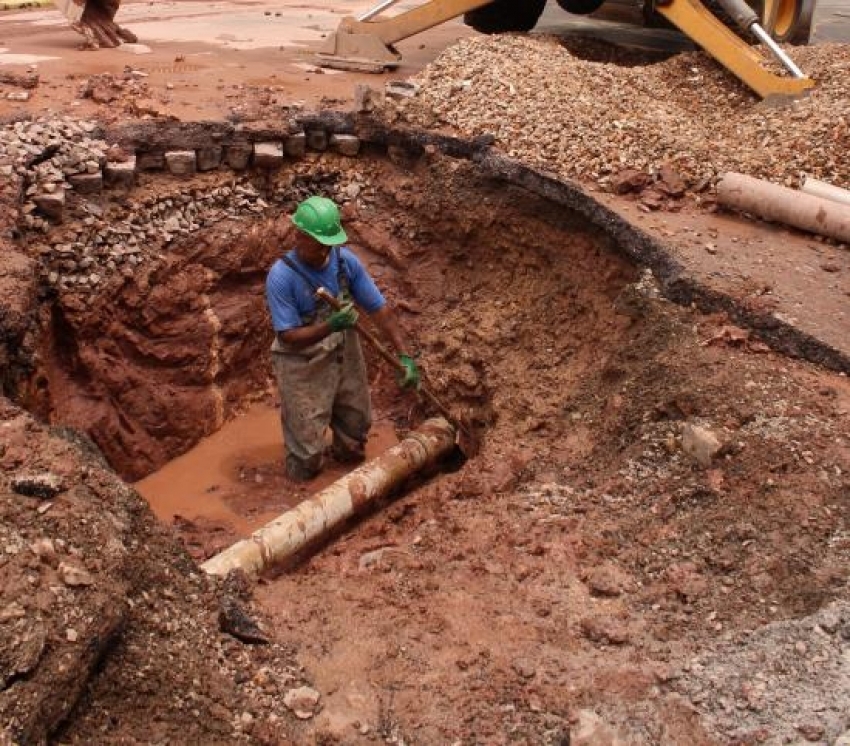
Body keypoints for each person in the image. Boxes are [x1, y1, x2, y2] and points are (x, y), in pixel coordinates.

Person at [265, 195, 420, 481]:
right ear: (299, 236)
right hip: (301, 362)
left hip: (343, 353)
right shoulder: (281, 277)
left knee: (355, 431)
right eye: (319, 243)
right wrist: (331, 325)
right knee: (307, 458)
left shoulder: (344, 262)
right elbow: (288, 337)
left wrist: (404, 355)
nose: (326, 249)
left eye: (329, 243)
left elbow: (380, 310)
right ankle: (304, 483)